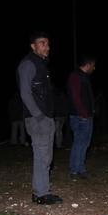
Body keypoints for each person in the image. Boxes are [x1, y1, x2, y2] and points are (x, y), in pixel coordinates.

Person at [17, 31, 61, 205]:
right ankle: (41, 194)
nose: (47, 47)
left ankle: (41, 191)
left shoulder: (42, 64)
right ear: (33, 46)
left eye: (48, 44)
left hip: (46, 117)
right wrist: (39, 115)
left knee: (46, 156)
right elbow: (25, 93)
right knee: (42, 155)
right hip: (38, 118)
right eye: (42, 43)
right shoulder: (28, 64)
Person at [67, 56, 96, 178]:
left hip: (85, 116)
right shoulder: (76, 76)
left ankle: (80, 169)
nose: (94, 68)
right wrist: (83, 113)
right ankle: (74, 170)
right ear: (88, 64)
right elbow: (75, 97)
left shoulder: (84, 77)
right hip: (80, 116)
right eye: (93, 65)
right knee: (79, 143)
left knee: (84, 143)